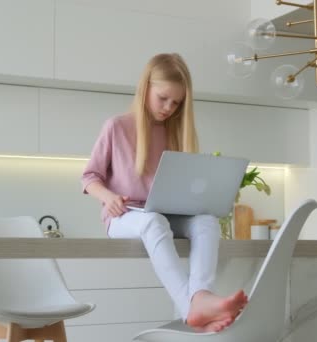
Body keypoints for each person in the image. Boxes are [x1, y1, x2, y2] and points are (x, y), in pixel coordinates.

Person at [81, 53, 248, 333]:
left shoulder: (174, 133)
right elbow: (89, 177)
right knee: (152, 221)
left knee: (206, 221)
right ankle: (191, 308)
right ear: (145, 87)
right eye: (163, 98)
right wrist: (108, 198)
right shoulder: (116, 127)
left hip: (165, 212)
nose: (169, 107)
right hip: (125, 215)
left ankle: (201, 296)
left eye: (176, 103)